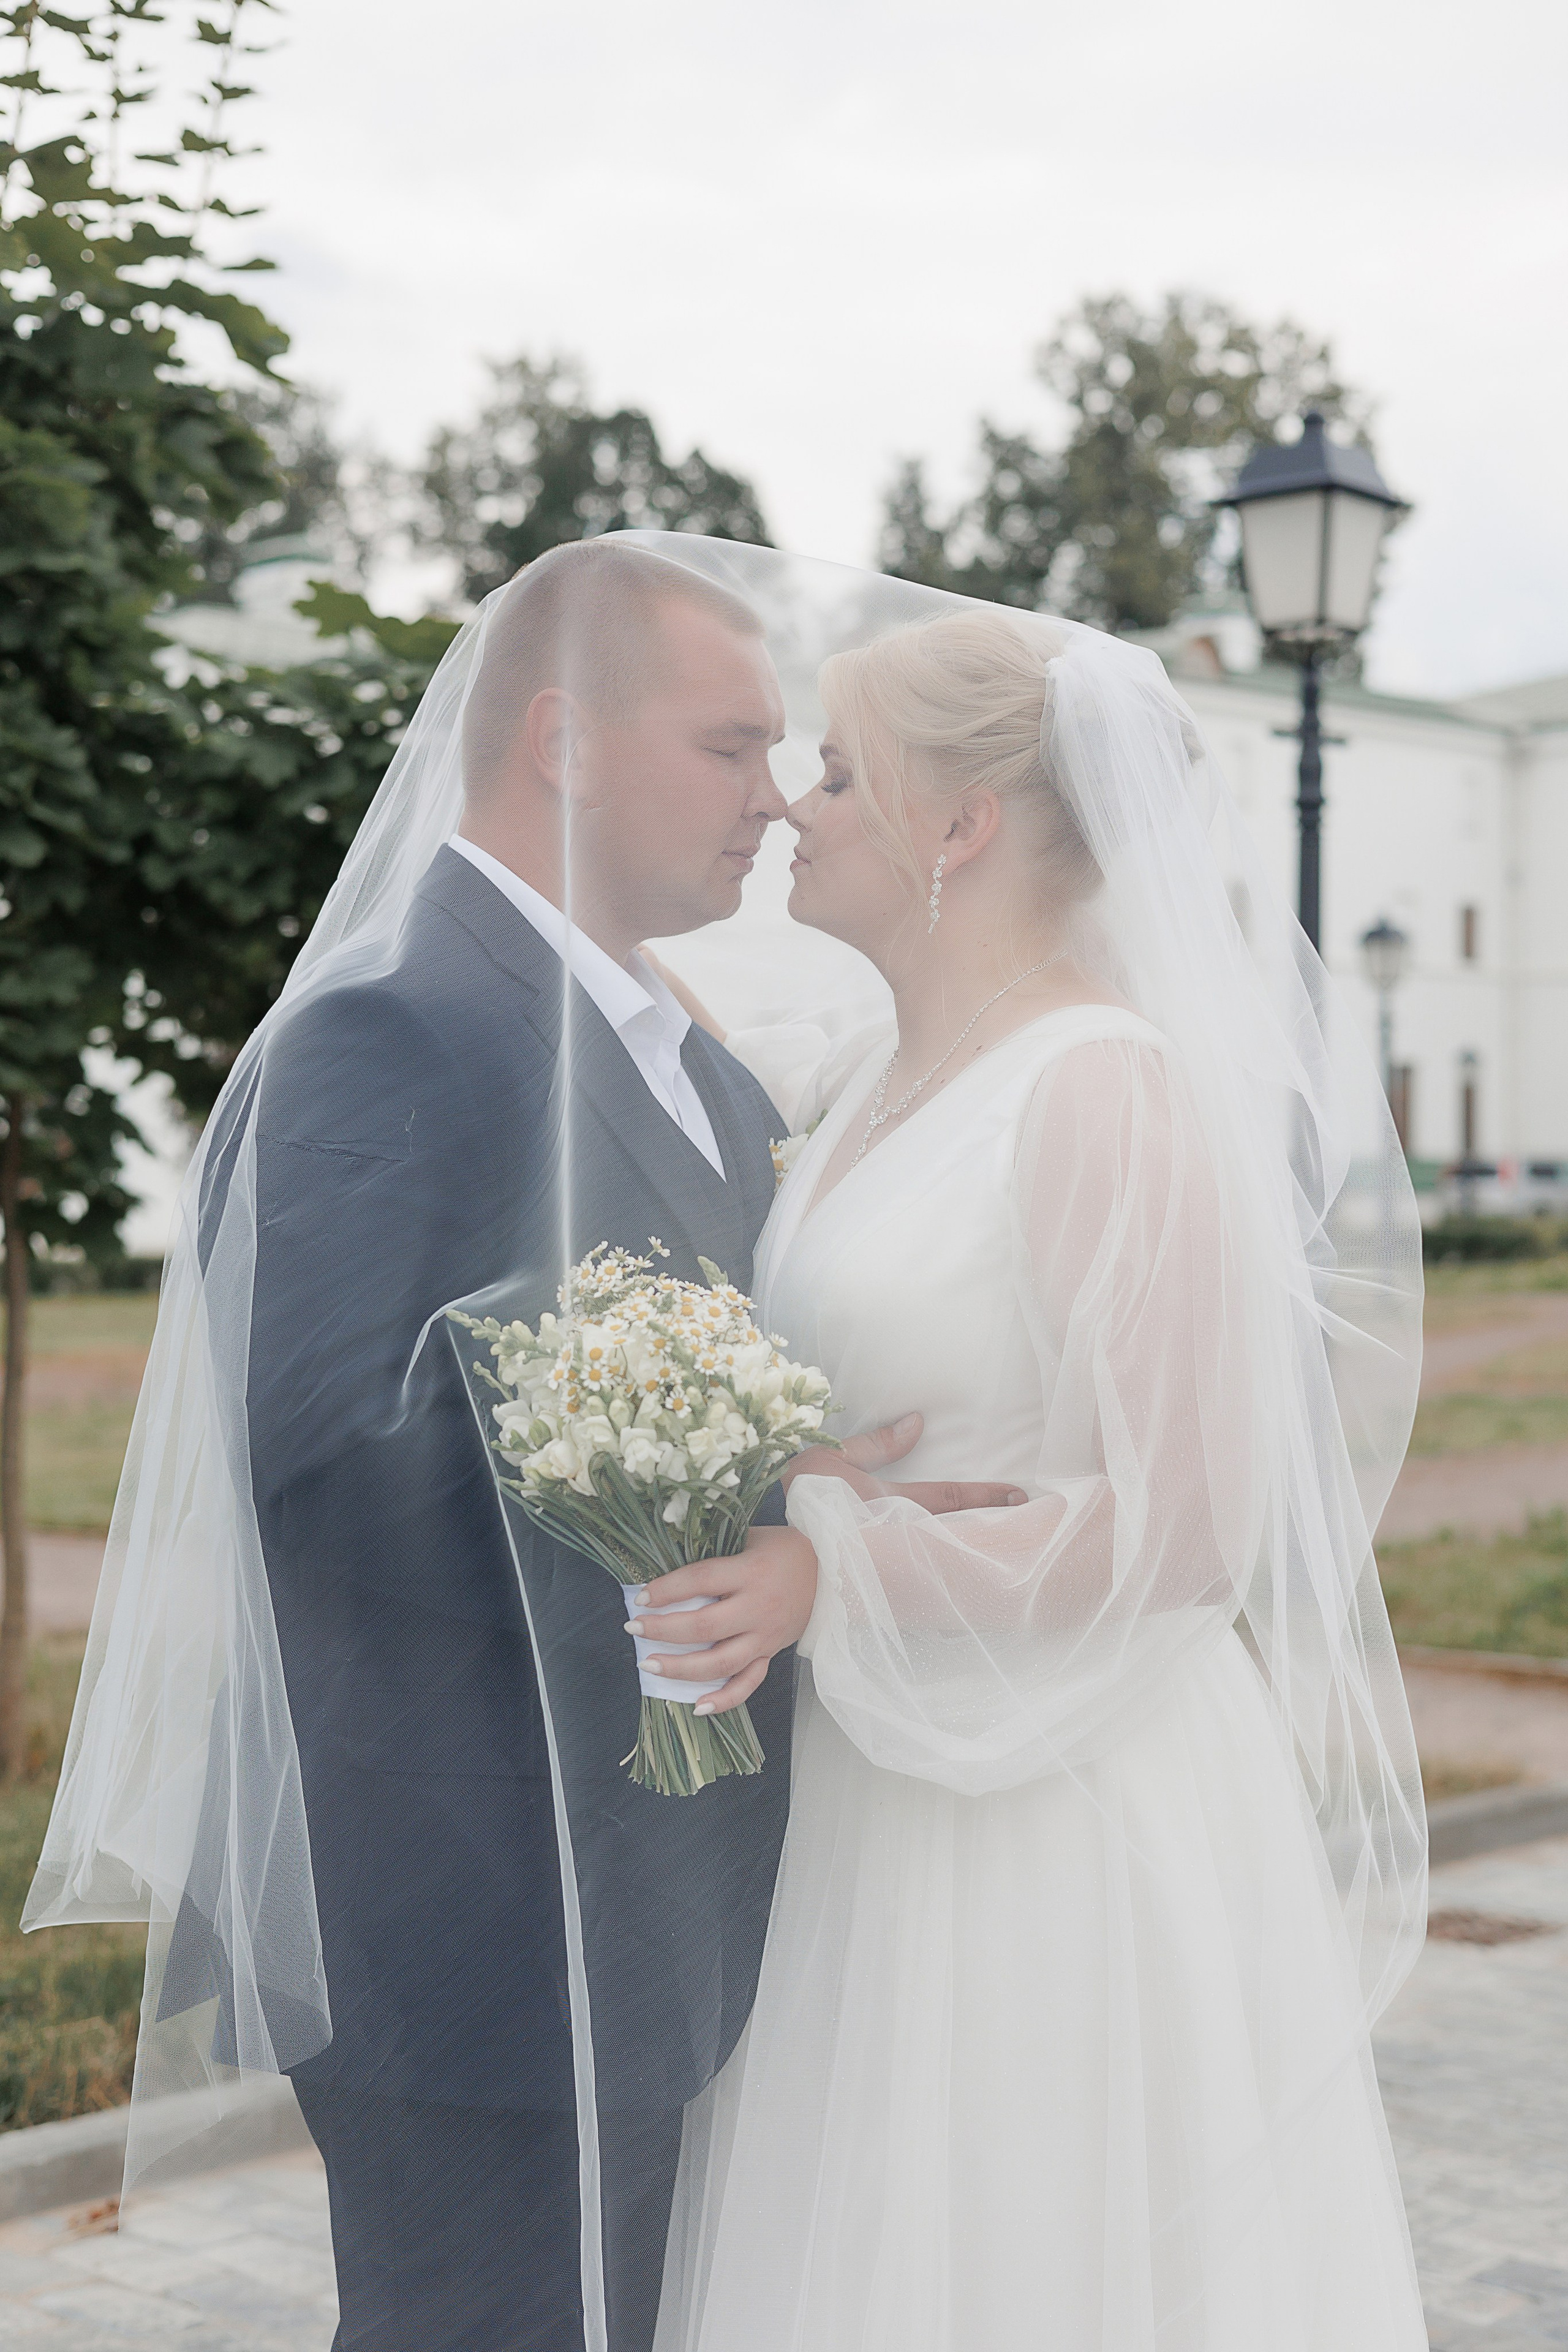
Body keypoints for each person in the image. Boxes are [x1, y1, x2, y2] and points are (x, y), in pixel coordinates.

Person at [24, 539, 1019, 2352]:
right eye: (731, 749)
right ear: (562, 739)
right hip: (480, 1925)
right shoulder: (386, 1029)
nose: (775, 799)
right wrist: (750, 1496)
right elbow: (327, 1453)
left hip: (678, 1904)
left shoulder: (697, 1068)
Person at [633, 598, 1430, 2349]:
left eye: (839, 770)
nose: (795, 803)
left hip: (1054, 1799)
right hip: (869, 1781)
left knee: (1031, 2252)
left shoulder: (1103, 1095)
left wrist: (837, 1567)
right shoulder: (865, 1088)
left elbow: (1194, 1524)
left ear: (959, 823)